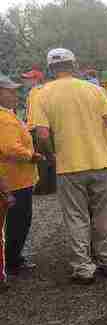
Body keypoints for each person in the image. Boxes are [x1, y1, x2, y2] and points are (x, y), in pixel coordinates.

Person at [29, 48, 107, 284]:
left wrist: (52, 157)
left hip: (68, 166)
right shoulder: (95, 90)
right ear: (75, 64)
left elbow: (41, 135)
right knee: (105, 213)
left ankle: (83, 268)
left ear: (51, 68)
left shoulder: (42, 94)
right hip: (100, 162)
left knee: (76, 217)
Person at [0, 73, 41, 282]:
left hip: (17, 177)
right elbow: (8, 147)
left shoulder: (8, 114)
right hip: (15, 179)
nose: (16, 94)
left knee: (18, 221)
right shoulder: (4, 118)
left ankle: (13, 258)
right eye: (11, 91)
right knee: (18, 221)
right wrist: (31, 155)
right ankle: (11, 261)